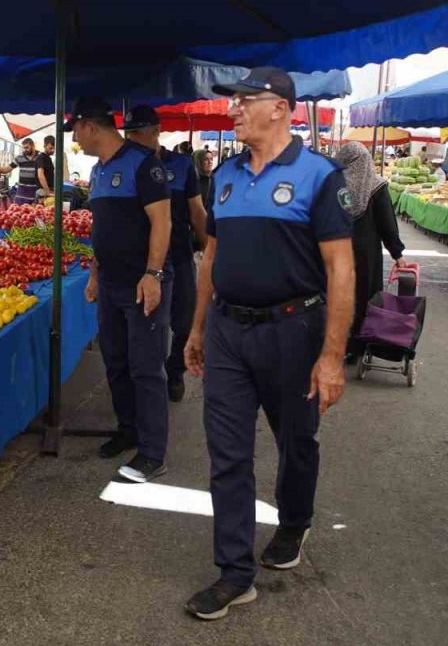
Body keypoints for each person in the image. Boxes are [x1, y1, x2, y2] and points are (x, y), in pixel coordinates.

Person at [183, 67, 355, 621]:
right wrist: (198, 328)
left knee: (296, 442)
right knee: (227, 454)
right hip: (229, 332)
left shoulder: (318, 176)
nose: (232, 110)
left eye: (243, 101)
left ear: (280, 108)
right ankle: (235, 572)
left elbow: (341, 270)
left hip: (293, 331)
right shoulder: (225, 177)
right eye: (232, 102)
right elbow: (212, 256)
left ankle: (294, 522)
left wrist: (331, 357)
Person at [73, 97, 174, 484]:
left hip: (141, 283)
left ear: (90, 126)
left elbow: (162, 223)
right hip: (111, 284)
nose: (76, 141)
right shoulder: (98, 171)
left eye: (77, 132)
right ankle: (127, 429)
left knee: (146, 367)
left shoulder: (144, 164)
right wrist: (96, 275)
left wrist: (153, 273)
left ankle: (152, 452)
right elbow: (102, 230)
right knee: (115, 361)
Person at [124, 105, 207, 403]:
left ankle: (175, 372)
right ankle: (150, 381)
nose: (131, 139)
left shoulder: (182, 165)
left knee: (184, 323)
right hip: (142, 260)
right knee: (149, 328)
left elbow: (197, 213)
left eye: (137, 132)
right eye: (128, 133)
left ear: (156, 132)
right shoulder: (127, 165)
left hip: (180, 256)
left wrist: (209, 251)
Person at [336, 143, 407, 360]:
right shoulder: (376, 187)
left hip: (335, 249)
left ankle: (331, 343)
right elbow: (387, 223)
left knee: (336, 296)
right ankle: (355, 348)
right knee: (362, 297)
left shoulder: (334, 185)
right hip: (365, 254)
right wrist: (398, 254)